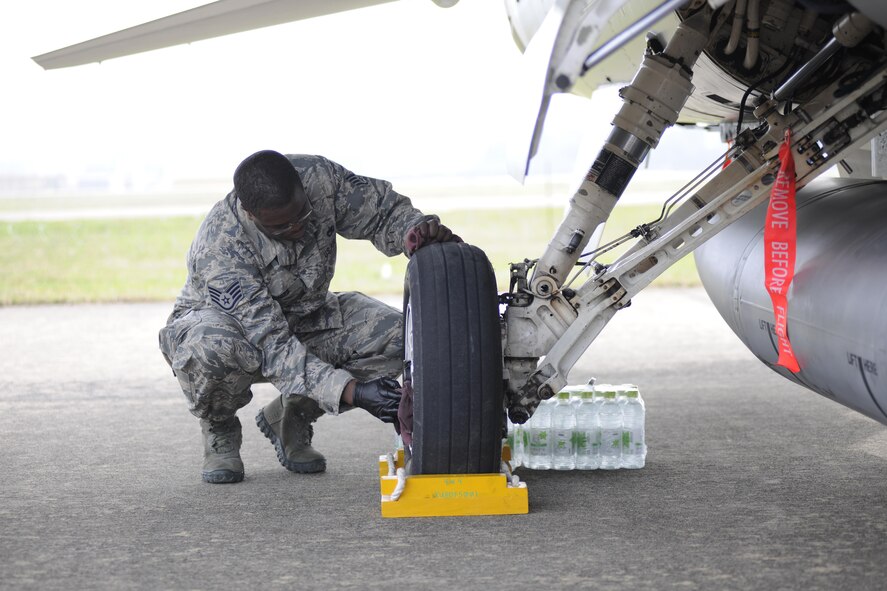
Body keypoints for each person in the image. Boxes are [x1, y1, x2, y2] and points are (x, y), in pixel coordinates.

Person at [159, 150, 460, 483]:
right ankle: (219, 426)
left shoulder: (319, 177)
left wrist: (415, 234)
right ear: (249, 212)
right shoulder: (222, 246)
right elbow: (273, 346)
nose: (297, 228)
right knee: (212, 349)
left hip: (306, 315)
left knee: (401, 339)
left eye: (301, 214)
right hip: (233, 330)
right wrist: (355, 392)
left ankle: (292, 414)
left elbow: (381, 212)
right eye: (280, 226)